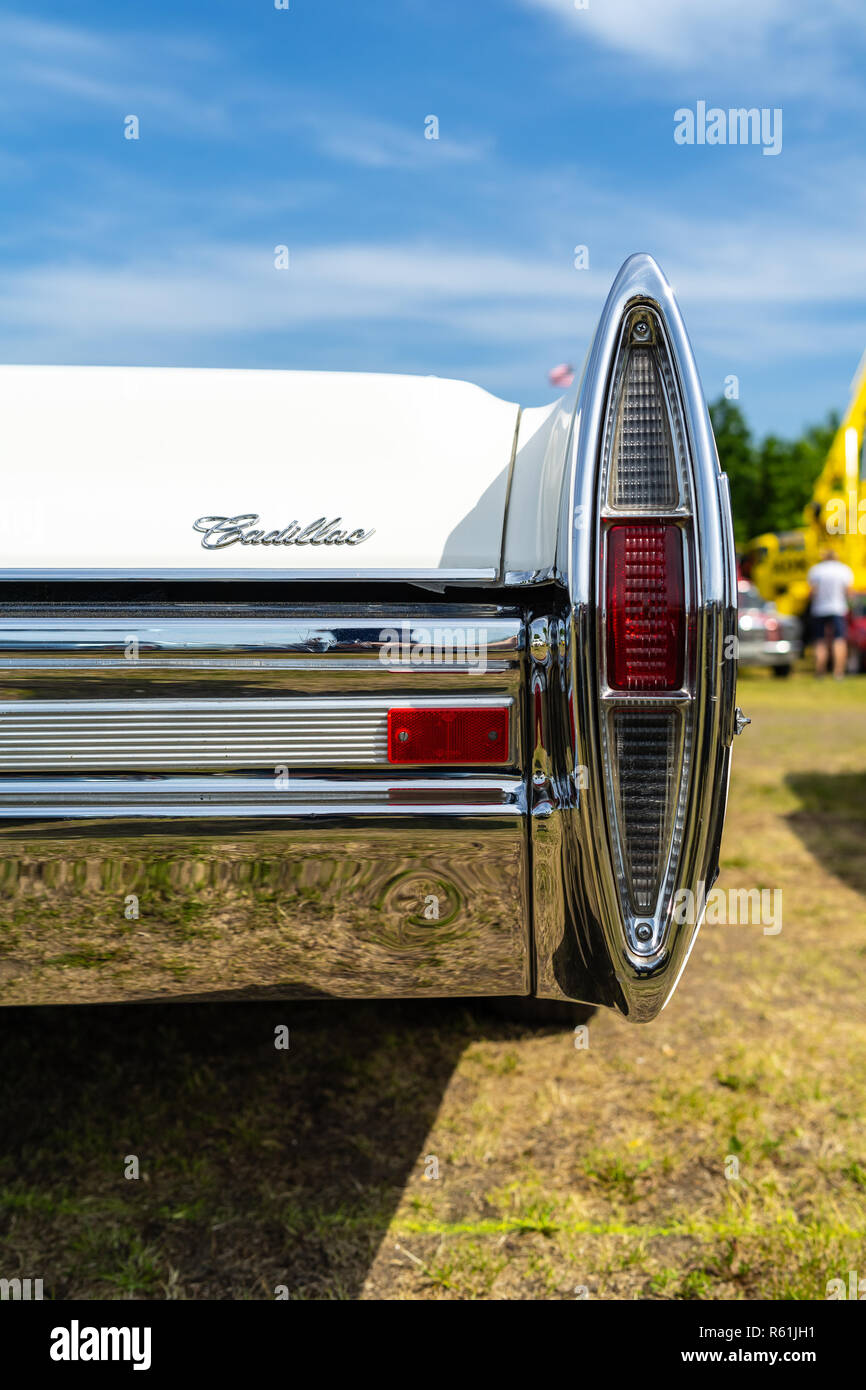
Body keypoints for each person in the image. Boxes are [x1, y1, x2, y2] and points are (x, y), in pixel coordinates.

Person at [807, 549, 854, 679]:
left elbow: (812, 592)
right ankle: (838, 672)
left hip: (819, 609)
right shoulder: (844, 569)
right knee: (839, 640)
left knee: (820, 641)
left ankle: (820, 672)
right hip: (838, 608)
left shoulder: (816, 570)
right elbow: (848, 592)